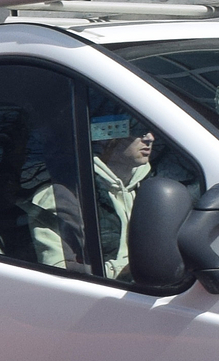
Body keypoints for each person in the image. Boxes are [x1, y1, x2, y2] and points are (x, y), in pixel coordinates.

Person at [32, 117, 154, 278]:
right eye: (137, 129)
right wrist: (120, 272)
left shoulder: (150, 188)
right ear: (105, 138)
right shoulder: (59, 195)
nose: (150, 138)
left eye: (152, 130)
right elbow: (57, 270)